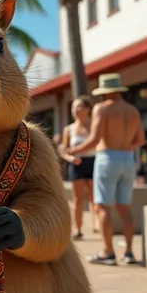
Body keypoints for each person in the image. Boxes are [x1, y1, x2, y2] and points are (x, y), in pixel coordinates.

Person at [66, 73, 145, 266]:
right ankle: (128, 252)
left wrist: (72, 150)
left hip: (107, 158)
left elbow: (93, 140)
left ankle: (107, 252)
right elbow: (140, 140)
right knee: (124, 207)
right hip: (127, 158)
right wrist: (125, 148)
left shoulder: (102, 109)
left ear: (104, 91)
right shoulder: (132, 110)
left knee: (102, 207)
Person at [59, 97, 97, 239]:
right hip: (77, 164)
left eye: (79, 106)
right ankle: (78, 229)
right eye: (73, 107)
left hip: (93, 161)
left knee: (95, 198)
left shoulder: (94, 125)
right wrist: (71, 159)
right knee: (78, 199)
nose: (76, 110)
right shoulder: (68, 129)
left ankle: (96, 225)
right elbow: (64, 150)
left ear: (88, 109)